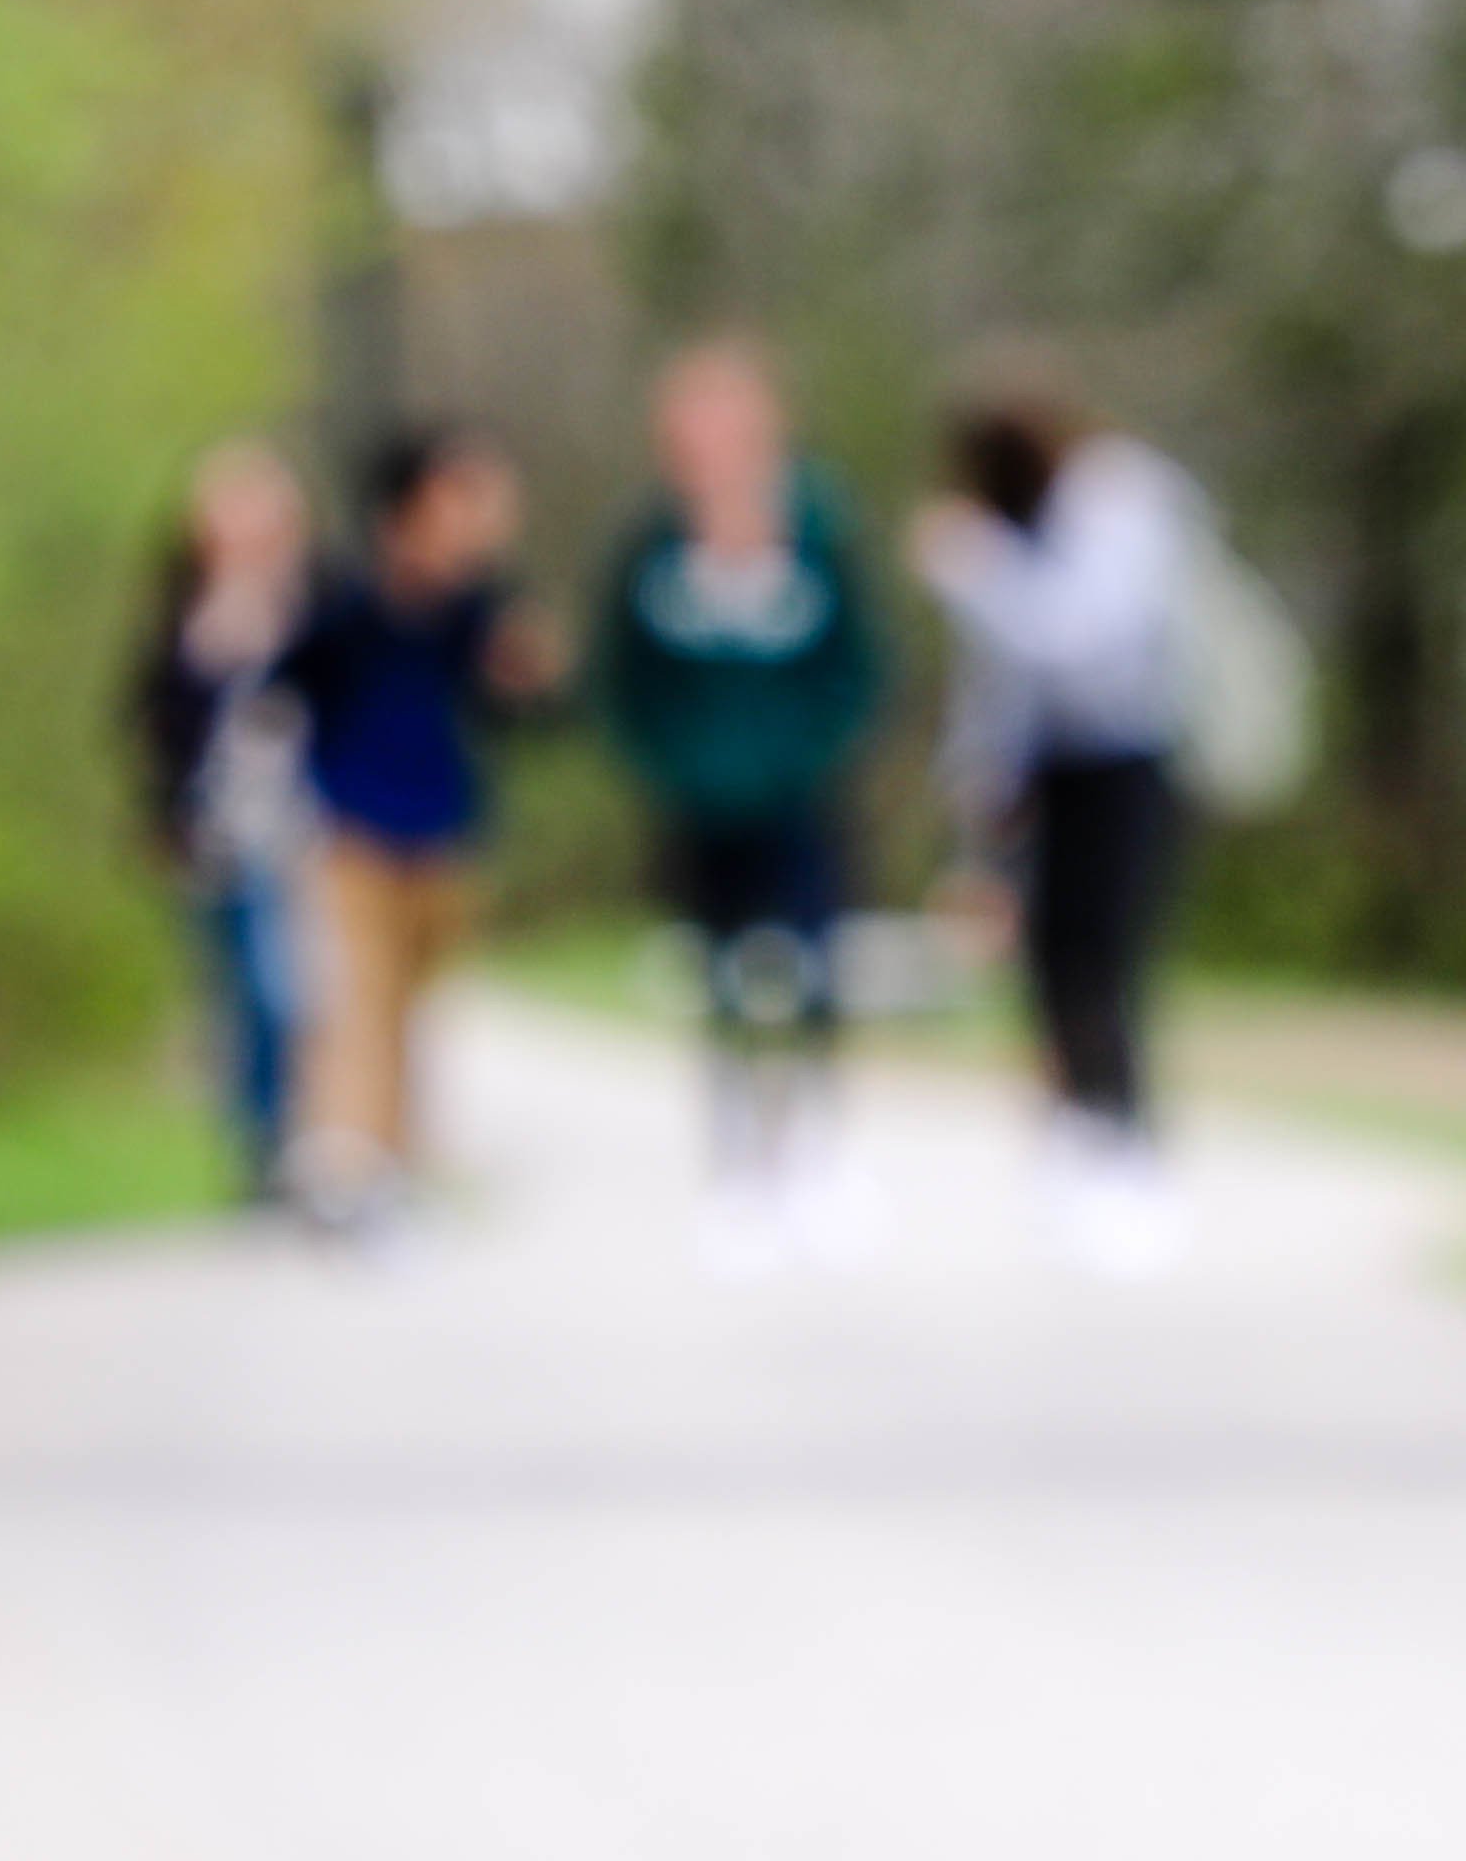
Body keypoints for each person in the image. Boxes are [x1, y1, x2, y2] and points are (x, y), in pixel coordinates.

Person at [586, 339, 884, 1264]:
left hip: (800, 794)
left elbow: (859, 666)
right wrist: (672, 763)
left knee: (812, 970)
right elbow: (621, 679)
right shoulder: (650, 543)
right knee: (717, 978)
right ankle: (734, 1170)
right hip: (698, 801)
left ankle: (817, 1154)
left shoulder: (820, 527)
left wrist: (812, 753)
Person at [915, 364, 1197, 1272]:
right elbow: (996, 682)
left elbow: (1080, 637)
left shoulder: (1121, 499)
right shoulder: (1004, 527)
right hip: (1042, 774)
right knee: (1044, 960)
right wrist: (974, 788)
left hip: (1127, 761)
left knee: (1108, 957)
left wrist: (979, 574)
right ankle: (1074, 1136)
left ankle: (1129, 1148)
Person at [282, 423, 556, 1224]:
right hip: (352, 829)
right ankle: (345, 1163)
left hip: (441, 830)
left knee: (412, 1004)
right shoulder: (347, 597)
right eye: (456, 499)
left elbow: (523, 715)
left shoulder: (481, 610)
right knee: (357, 999)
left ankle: (393, 1164)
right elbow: (290, 685)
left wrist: (525, 676)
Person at [127, 440, 317, 1211]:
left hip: (309, 824)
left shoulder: (315, 599)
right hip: (219, 833)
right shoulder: (180, 611)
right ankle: (258, 1149)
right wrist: (164, 820)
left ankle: (311, 1137)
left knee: (304, 994)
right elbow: (148, 721)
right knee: (247, 995)